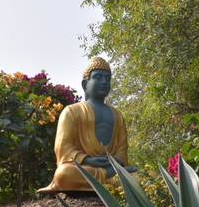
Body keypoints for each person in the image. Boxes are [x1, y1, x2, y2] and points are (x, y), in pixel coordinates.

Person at [38, 57, 136, 192]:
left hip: (112, 168)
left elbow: (122, 149)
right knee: (64, 174)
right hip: (83, 168)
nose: (104, 82)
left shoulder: (117, 115)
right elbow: (63, 147)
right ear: (85, 84)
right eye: (98, 77)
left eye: (107, 79)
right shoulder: (72, 111)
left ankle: (107, 177)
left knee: (151, 177)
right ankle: (107, 176)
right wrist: (88, 160)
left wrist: (116, 161)